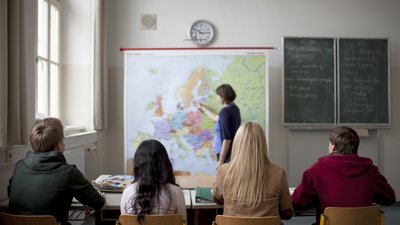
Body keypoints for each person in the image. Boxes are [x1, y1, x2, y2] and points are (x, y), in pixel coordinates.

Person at [7, 117, 105, 225]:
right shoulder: (68, 172)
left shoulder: (19, 166)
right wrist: (97, 190)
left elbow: (10, 193)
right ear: (59, 144)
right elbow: (99, 203)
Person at [291, 126, 396, 225]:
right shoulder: (371, 171)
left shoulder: (316, 170)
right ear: (355, 148)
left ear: (333, 147)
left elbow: (297, 202)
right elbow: (390, 199)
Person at [212, 121, 293, 220]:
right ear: (262, 144)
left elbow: (217, 198)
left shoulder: (223, 171)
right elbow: (287, 213)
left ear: (237, 143)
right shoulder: (278, 173)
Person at [120, 139, 187, 224]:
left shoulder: (128, 192)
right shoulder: (176, 192)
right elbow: (183, 222)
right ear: (164, 163)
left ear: (138, 165)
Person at [195, 84, 241, 168]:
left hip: (225, 153)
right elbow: (216, 118)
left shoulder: (225, 112)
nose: (216, 98)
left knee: (224, 179)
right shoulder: (234, 108)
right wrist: (203, 108)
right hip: (233, 150)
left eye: (218, 95)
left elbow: (227, 139)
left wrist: (221, 160)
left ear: (223, 97)